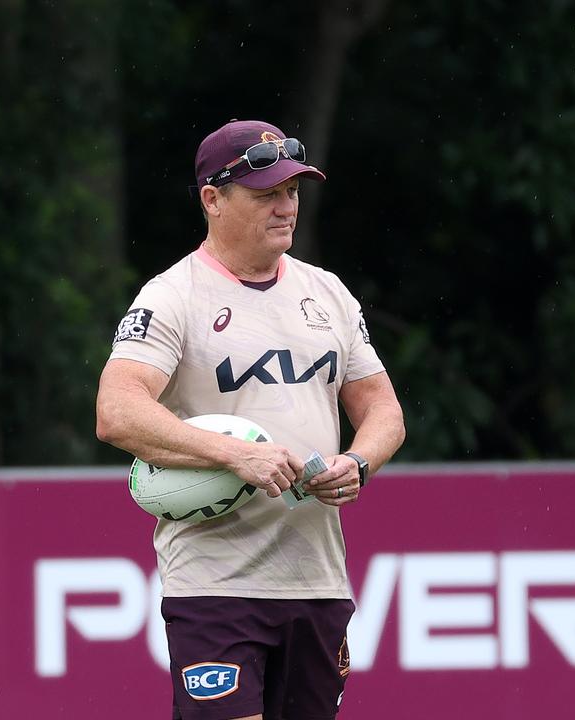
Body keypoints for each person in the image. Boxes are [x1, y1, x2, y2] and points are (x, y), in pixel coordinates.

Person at [95, 119, 405, 720]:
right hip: (215, 584)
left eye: (291, 191)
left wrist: (359, 462)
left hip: (316, 578)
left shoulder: (329, 294)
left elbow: (383, 409)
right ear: (212, 199)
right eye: (266, 194)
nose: (285, 206)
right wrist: (233, 453)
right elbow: (117, 410)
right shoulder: (173, 296)